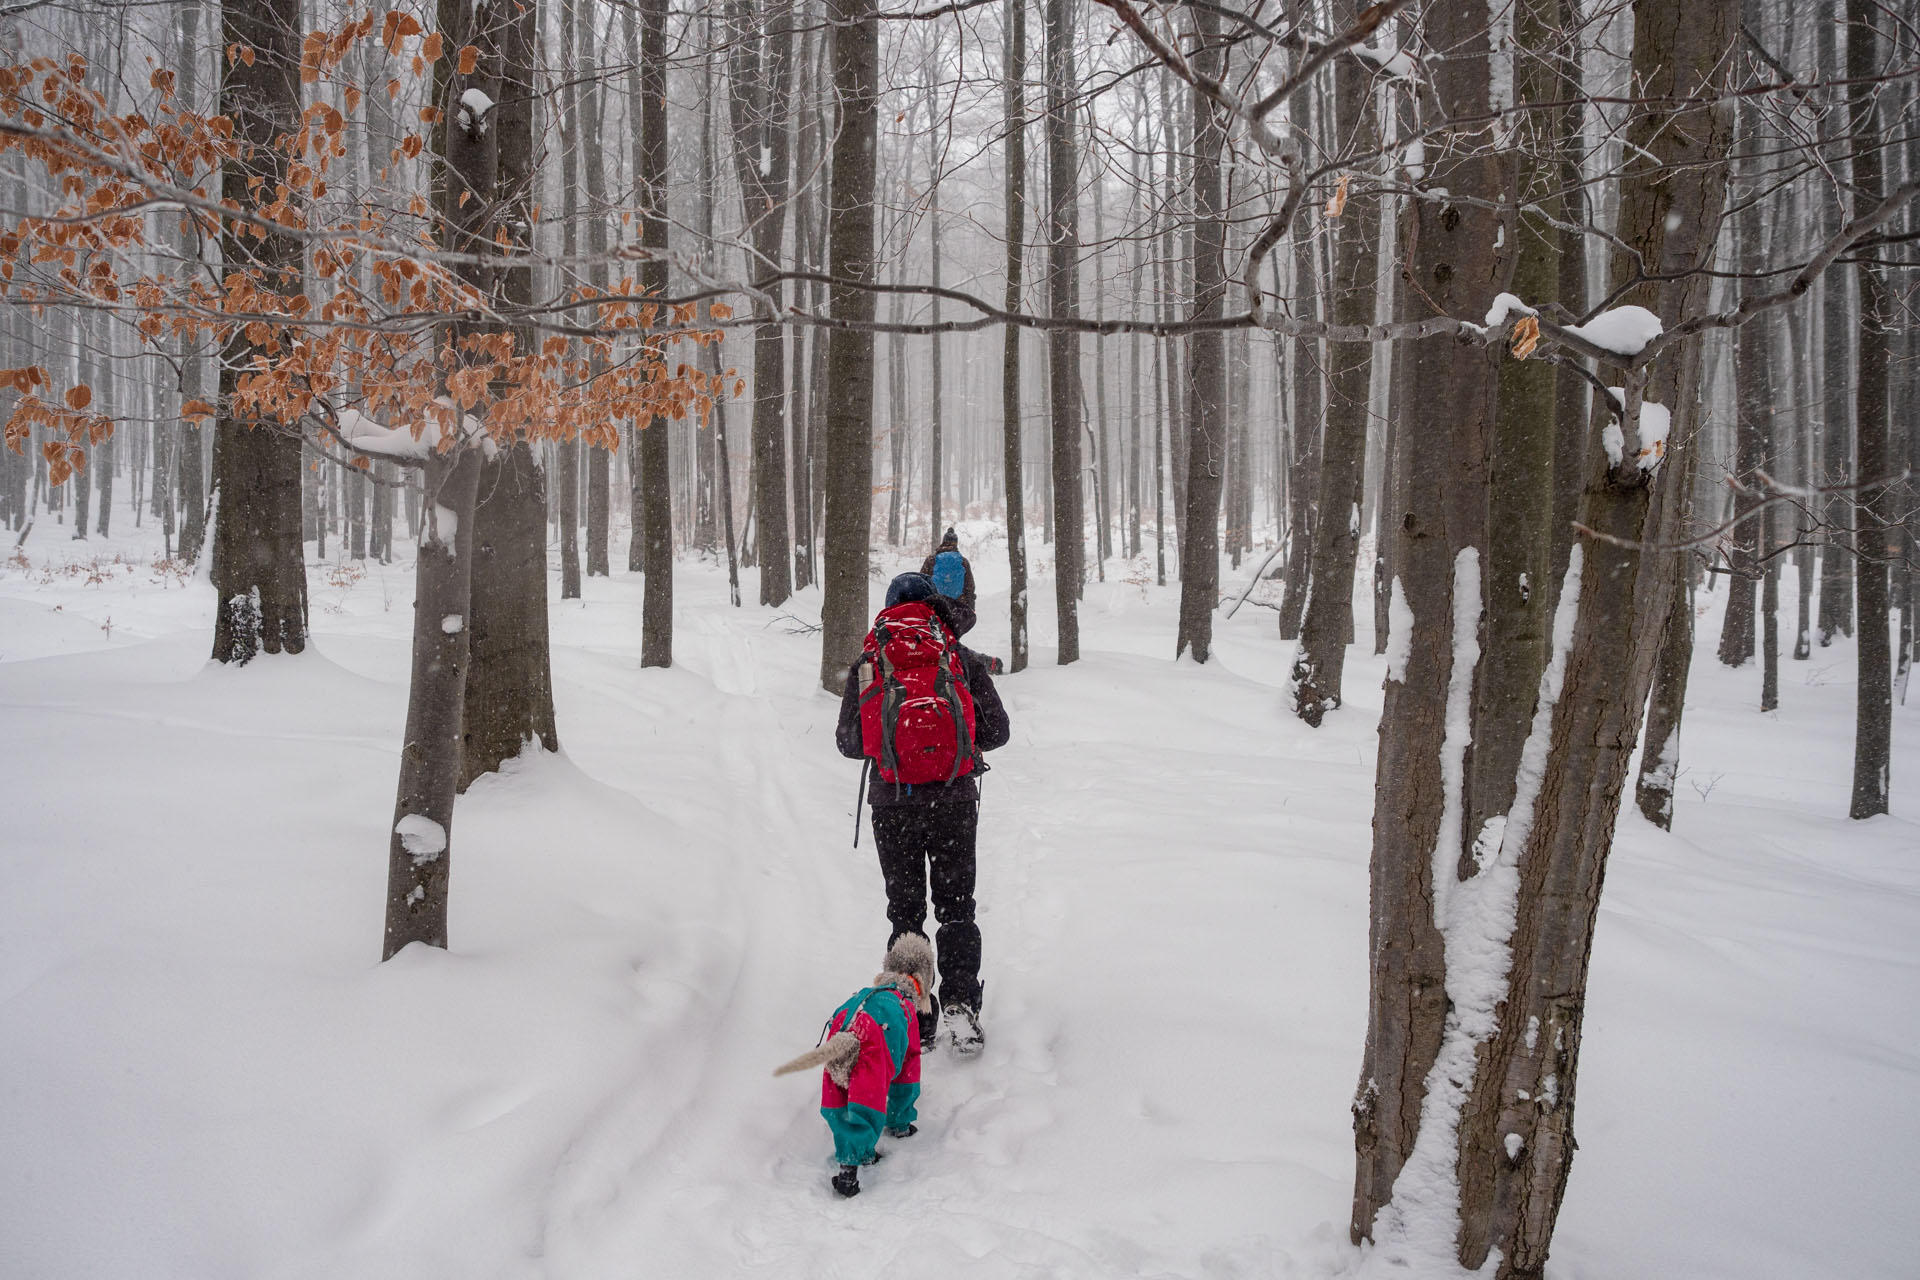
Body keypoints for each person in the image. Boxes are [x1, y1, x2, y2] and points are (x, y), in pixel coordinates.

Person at [837, 572, 1010, 1054]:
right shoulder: (959, 657)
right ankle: (960, 1001)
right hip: (953, 801)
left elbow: (849, 742)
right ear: (935, 608)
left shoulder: (871, 660)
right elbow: (998, 732)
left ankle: (916, 1010)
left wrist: (894, 741)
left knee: (907, 912)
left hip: (892, 805)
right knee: (956, 907)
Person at [920, 527, 977, 635]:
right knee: (952, 634)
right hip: (957, 605)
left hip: (935, 603)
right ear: (956, 543)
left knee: (935, 633)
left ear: (943, 542)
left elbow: (923, 581)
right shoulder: (963, 561)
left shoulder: (931, 560)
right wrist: (971, 606)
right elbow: (970, 586)